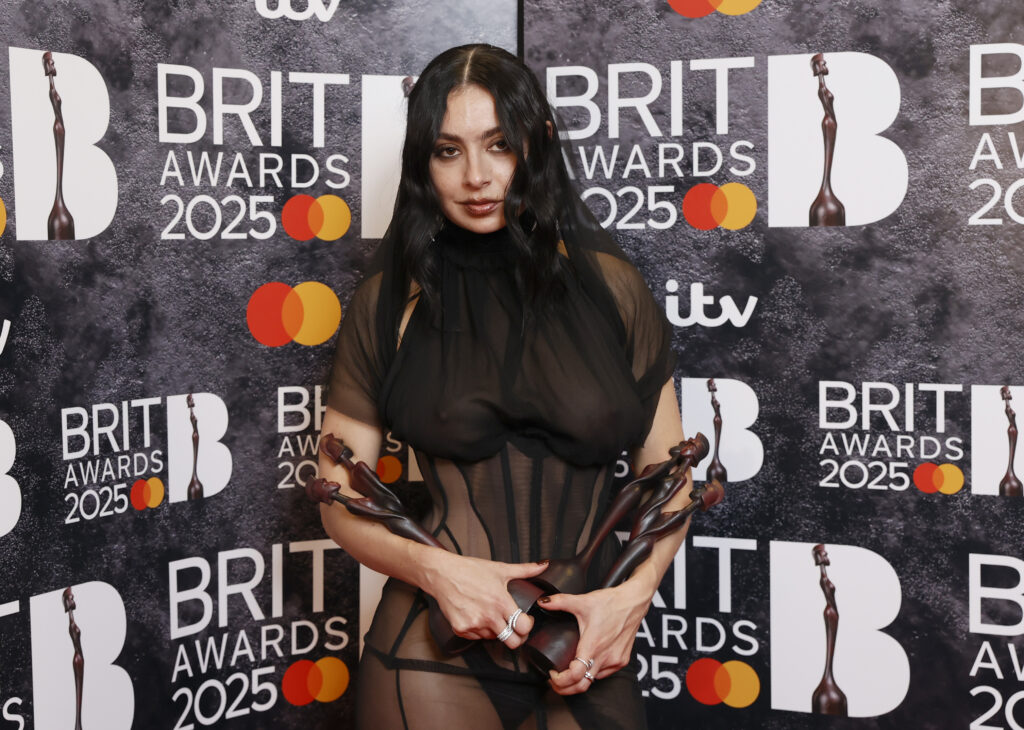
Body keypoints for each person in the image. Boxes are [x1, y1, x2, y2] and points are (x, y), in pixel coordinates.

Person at [319, 43, 692, 730]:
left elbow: (671, 478)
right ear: (422, 164)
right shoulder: (386, 304)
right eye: (448, 151)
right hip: (431, 651)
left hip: (586, 644)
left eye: (499, 145)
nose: (478, 177)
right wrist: (440, 575)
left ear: (537, 143)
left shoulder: (614, 290)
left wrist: (631, 600)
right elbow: (338, 497)